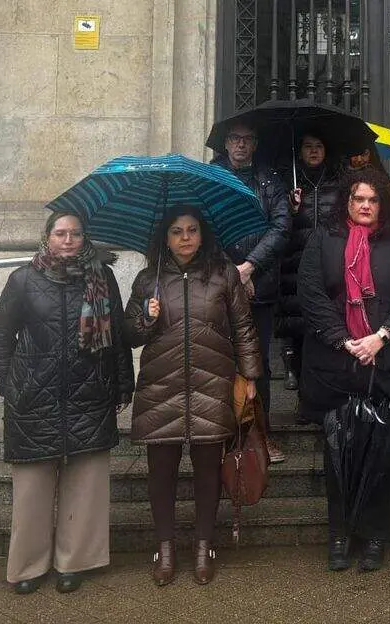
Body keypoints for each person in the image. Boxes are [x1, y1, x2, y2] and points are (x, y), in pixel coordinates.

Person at [0, 212, 134, 595]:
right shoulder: (23, 280)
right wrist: (11, 388)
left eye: (76, 233)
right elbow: (1, 338)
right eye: (61, 233)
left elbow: (117, 337)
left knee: (86, 485)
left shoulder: (101, 278)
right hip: (33, 397)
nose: (68, 240)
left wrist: (123, 385)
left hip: (90, 394)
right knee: (32, 489)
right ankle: (28, 565)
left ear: (85, 238)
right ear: (47, 237)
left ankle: (76, 560)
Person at [297, 169, 390, 573]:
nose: (366, 206)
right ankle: (340, 535)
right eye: (358, 199)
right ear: (347, 202)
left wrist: (381, 336)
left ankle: (374, 536)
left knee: (381, 455)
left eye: (373, 200)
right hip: (336, 364)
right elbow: (311, 291)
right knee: (338, 454)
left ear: (382, 203)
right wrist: (344, 339)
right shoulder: (325, 238)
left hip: (388, 364)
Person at [124, 205, 263, 586]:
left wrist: (250, 375)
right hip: (161, 385)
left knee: (207, 470)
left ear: (202, 235)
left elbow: (244, 326)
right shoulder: (146, 280)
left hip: (211, 383)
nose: (185, 237)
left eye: (191, 230)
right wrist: (146, 319)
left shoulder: (224, 275)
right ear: (165, 238)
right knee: (161, 473)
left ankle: (204, 547)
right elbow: (129, 335)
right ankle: (165, 549)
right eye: (176, 231)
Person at [210, 120, 291, 460]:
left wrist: (251, 267)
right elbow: (204, 227)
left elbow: (281, 225)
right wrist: (233, 273)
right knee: (219, 360)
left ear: (255, 144)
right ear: (225, 143)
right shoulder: (210, 177)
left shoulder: (270, 180)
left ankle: (261, 434)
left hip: (260, 282)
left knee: (258, 363)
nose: (241, 144)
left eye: (247, 139)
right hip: (218, 284)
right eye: (234, 138)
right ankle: (223, 435)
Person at [278, 130, 343, 430]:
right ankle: (306, 403)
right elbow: (278, 228)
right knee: (302, 337)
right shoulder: (289, 183)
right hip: (296, 267)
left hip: (330, 268)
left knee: (329, 335)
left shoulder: (338, 183)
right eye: (308, 146)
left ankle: (328, 401)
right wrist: (291, 209)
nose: (314, 151)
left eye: (318, 145)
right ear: (300, 151)